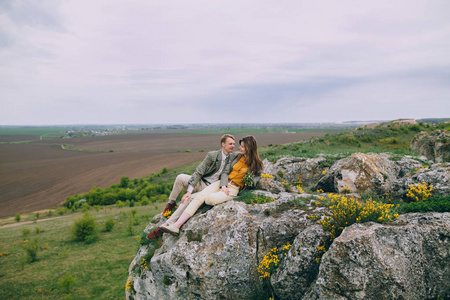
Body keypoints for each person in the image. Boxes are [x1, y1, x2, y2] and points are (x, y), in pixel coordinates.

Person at [159, 135, 263, 236]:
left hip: (233, 189)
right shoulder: (237, 157)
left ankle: (174, 220)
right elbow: (225, 172)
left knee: (209, 199)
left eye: (242, 146)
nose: (239, 147)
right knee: (198, 197)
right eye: (239, 145)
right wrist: (223, 185)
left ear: (249, 148)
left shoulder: (257, 164)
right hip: (221, 184)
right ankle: (176, 226)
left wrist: (250, 182)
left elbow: (256, 179)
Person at [146, 134, 235, 239]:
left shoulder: (233, 157)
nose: (233, 146)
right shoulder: (212, 155)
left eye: (234, 144)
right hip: (202, 182)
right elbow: (198, 172)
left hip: (211, 188)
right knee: (180, 177)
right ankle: (171, 203)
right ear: (223, 144)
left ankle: (165, 225)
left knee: (189, 199)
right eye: (230, 143)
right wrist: (189, 191)